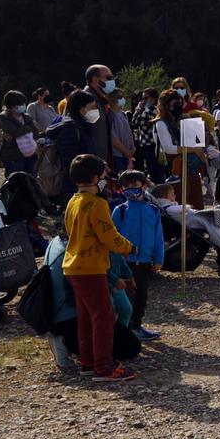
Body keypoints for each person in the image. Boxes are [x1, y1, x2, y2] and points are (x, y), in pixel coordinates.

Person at [63, 153, 137, 382]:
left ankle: (88, 361)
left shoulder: (73, 201)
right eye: (103, 175)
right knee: (104, 317)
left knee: (87, 317)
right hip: (91, 267)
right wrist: (128, 247)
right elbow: (108, 235)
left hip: (73, 266)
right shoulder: (97, 204)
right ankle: (104, 366)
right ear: (95, 177)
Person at [110, 170, 165, 341]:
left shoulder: (153, 210)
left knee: (141, 296)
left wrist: (159, 258)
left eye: (134, 185)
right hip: (125, 262)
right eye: (126, 186)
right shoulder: (120, 210)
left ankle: (136, 327)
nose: (130, 189)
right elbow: (113, 237)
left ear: (144, 186)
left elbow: (158, 236)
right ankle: (124, 329)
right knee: (125, 298)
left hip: (144, 261)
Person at [0, 90, 38, 178]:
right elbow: (14, 132)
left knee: (31, 179)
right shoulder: (3, 117)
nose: (23, 105)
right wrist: (27, 129)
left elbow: (35, 131)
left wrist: (23, 130)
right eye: (21, 103)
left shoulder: (27, 117)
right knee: (15, 180)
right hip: (13, 156)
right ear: (12, 106)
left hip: (30, 155)